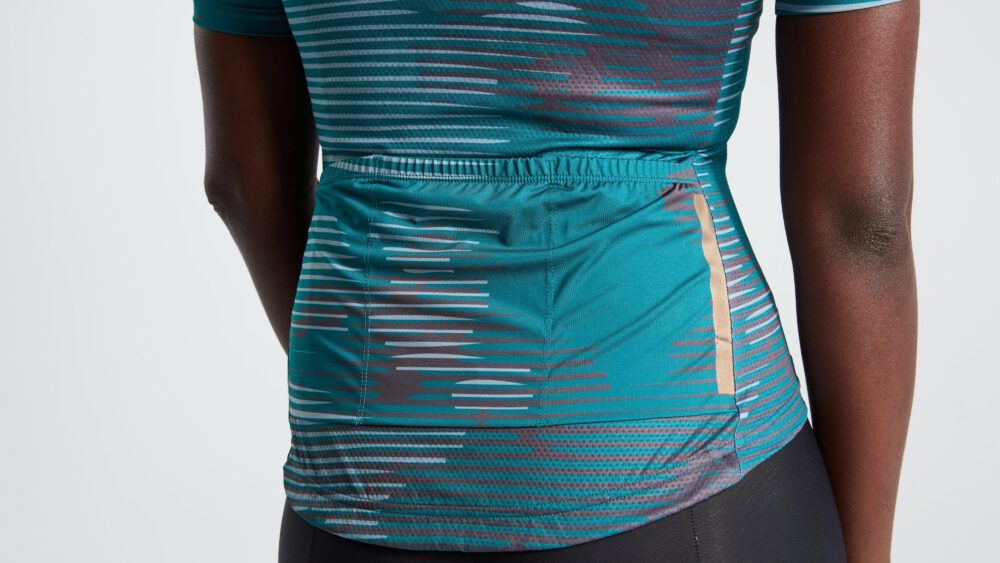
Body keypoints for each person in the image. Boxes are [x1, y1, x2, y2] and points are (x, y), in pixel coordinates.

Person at [192, 0, 919, 561]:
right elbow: (861, 223)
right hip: (692, 468)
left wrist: (409, 384)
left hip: (362, 472)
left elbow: (245, 185)